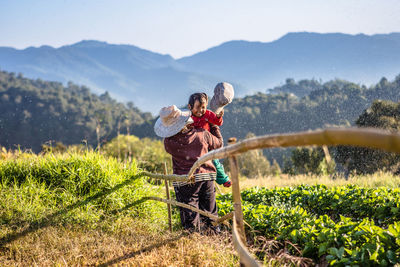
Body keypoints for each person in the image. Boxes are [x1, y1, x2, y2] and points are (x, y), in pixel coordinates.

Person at [154, 105, 223, 233]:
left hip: (185, 180)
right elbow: (219, 143)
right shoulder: (203, 134)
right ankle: (214, 237)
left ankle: (193, 239)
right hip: (206, 177)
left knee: (190, 215)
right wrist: (213, 125)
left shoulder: (169, 143)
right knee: (210, 213)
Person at [187, 92, 232, 187]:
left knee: (215, 162)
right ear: (190, 106)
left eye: (203, 107)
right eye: (197, 107)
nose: (200, 110)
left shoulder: (207, 114)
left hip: (208, 145)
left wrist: (219, 117)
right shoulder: (188, 118)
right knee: (193, 164)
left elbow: (217, 122)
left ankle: (224, 178)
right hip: (194, 145)